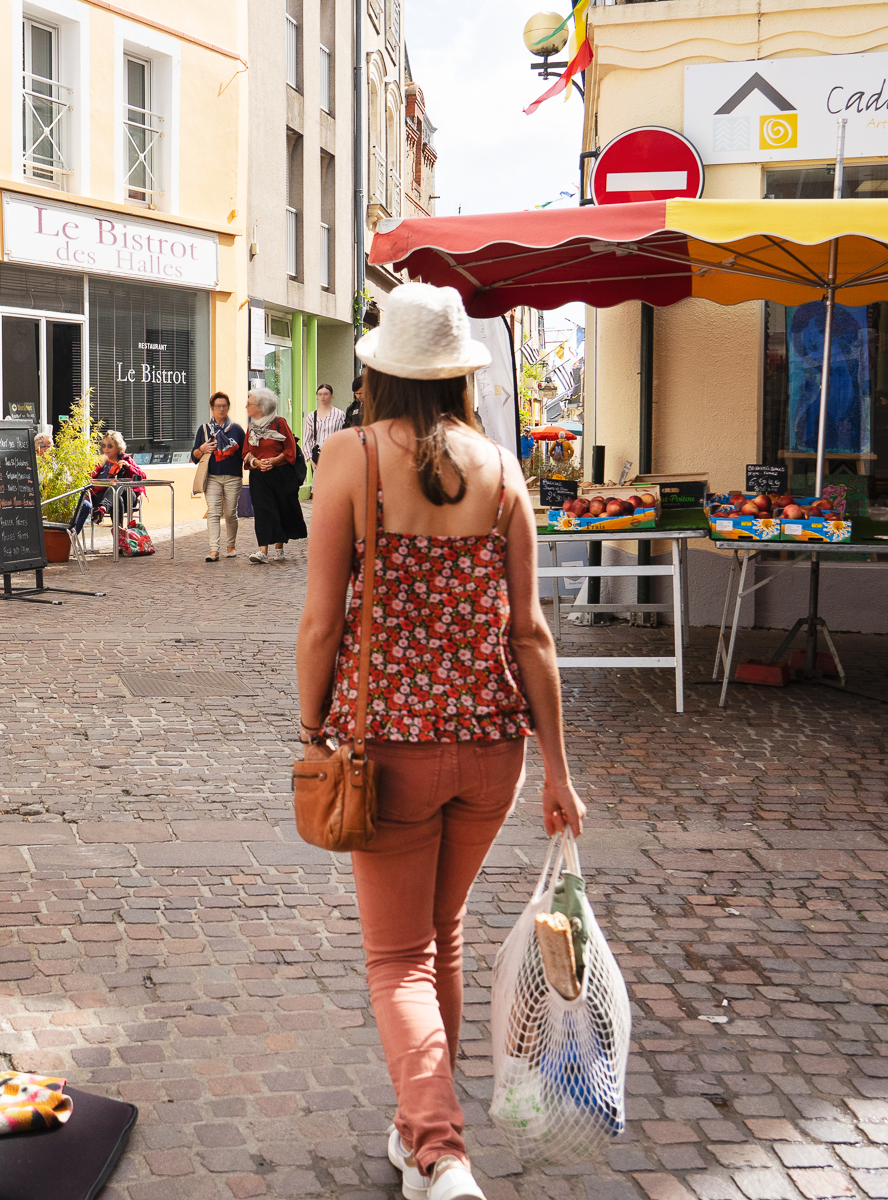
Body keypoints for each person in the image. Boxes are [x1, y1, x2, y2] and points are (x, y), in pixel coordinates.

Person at [294, 282, 586, 1200]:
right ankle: (416, 1130)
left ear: (380, 371)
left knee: (395, 959)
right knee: (441, 934)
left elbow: (320, 623)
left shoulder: (349, 459)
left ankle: (441, 1154)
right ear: (461, 374)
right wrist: (559, 772)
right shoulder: (504, 473)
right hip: (492, 750)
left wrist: (312, 727)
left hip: (387, 750)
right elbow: (531, 636)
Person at [243, 388, 308, 563]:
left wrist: (273, 461)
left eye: (249, 403)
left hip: (280, 475)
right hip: (259, 476)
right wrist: (257, 462)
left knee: (281, 509)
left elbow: (290, 450)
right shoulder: (251, 427)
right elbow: (246, 453)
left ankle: (279, 548)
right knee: (263, 512)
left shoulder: (279, 423)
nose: (245, 406)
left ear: (261, 406)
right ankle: (262, 551)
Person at [192, 392, 246, 562]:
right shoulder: (204, 430)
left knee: (230, 513)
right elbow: (194, 456)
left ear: (228, 407)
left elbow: (246, 453)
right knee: (214, 513)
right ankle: (214, 550)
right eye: (218, 406)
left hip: (233, 477)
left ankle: (231, 546)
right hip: (212, 477)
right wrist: (202, 449)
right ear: (212, 408)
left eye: (224, 406)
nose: (221, 409)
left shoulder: (237, 429)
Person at [69, 431, 146, 536]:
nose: (106, 449)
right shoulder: (100, 460)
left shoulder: (126, 459)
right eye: (104, 446)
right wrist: (99, 465)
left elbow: (142, 477)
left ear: (118, 447)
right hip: (102, 496)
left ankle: (102, 509)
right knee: (116, 497)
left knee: (118, 485)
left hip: (127, 496)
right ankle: (119, 536)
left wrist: (129, 467)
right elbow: (86, 478)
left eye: (110, 446)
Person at [304, 383, 350, 473]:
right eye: (320, 394)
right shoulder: (312, 416)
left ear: (331, 396)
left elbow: (343, 436)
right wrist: (310, 460)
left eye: (325, 394)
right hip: (317, 455)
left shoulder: (339, 414)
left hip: (335, 453)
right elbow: (307, 440)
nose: (322, 397)